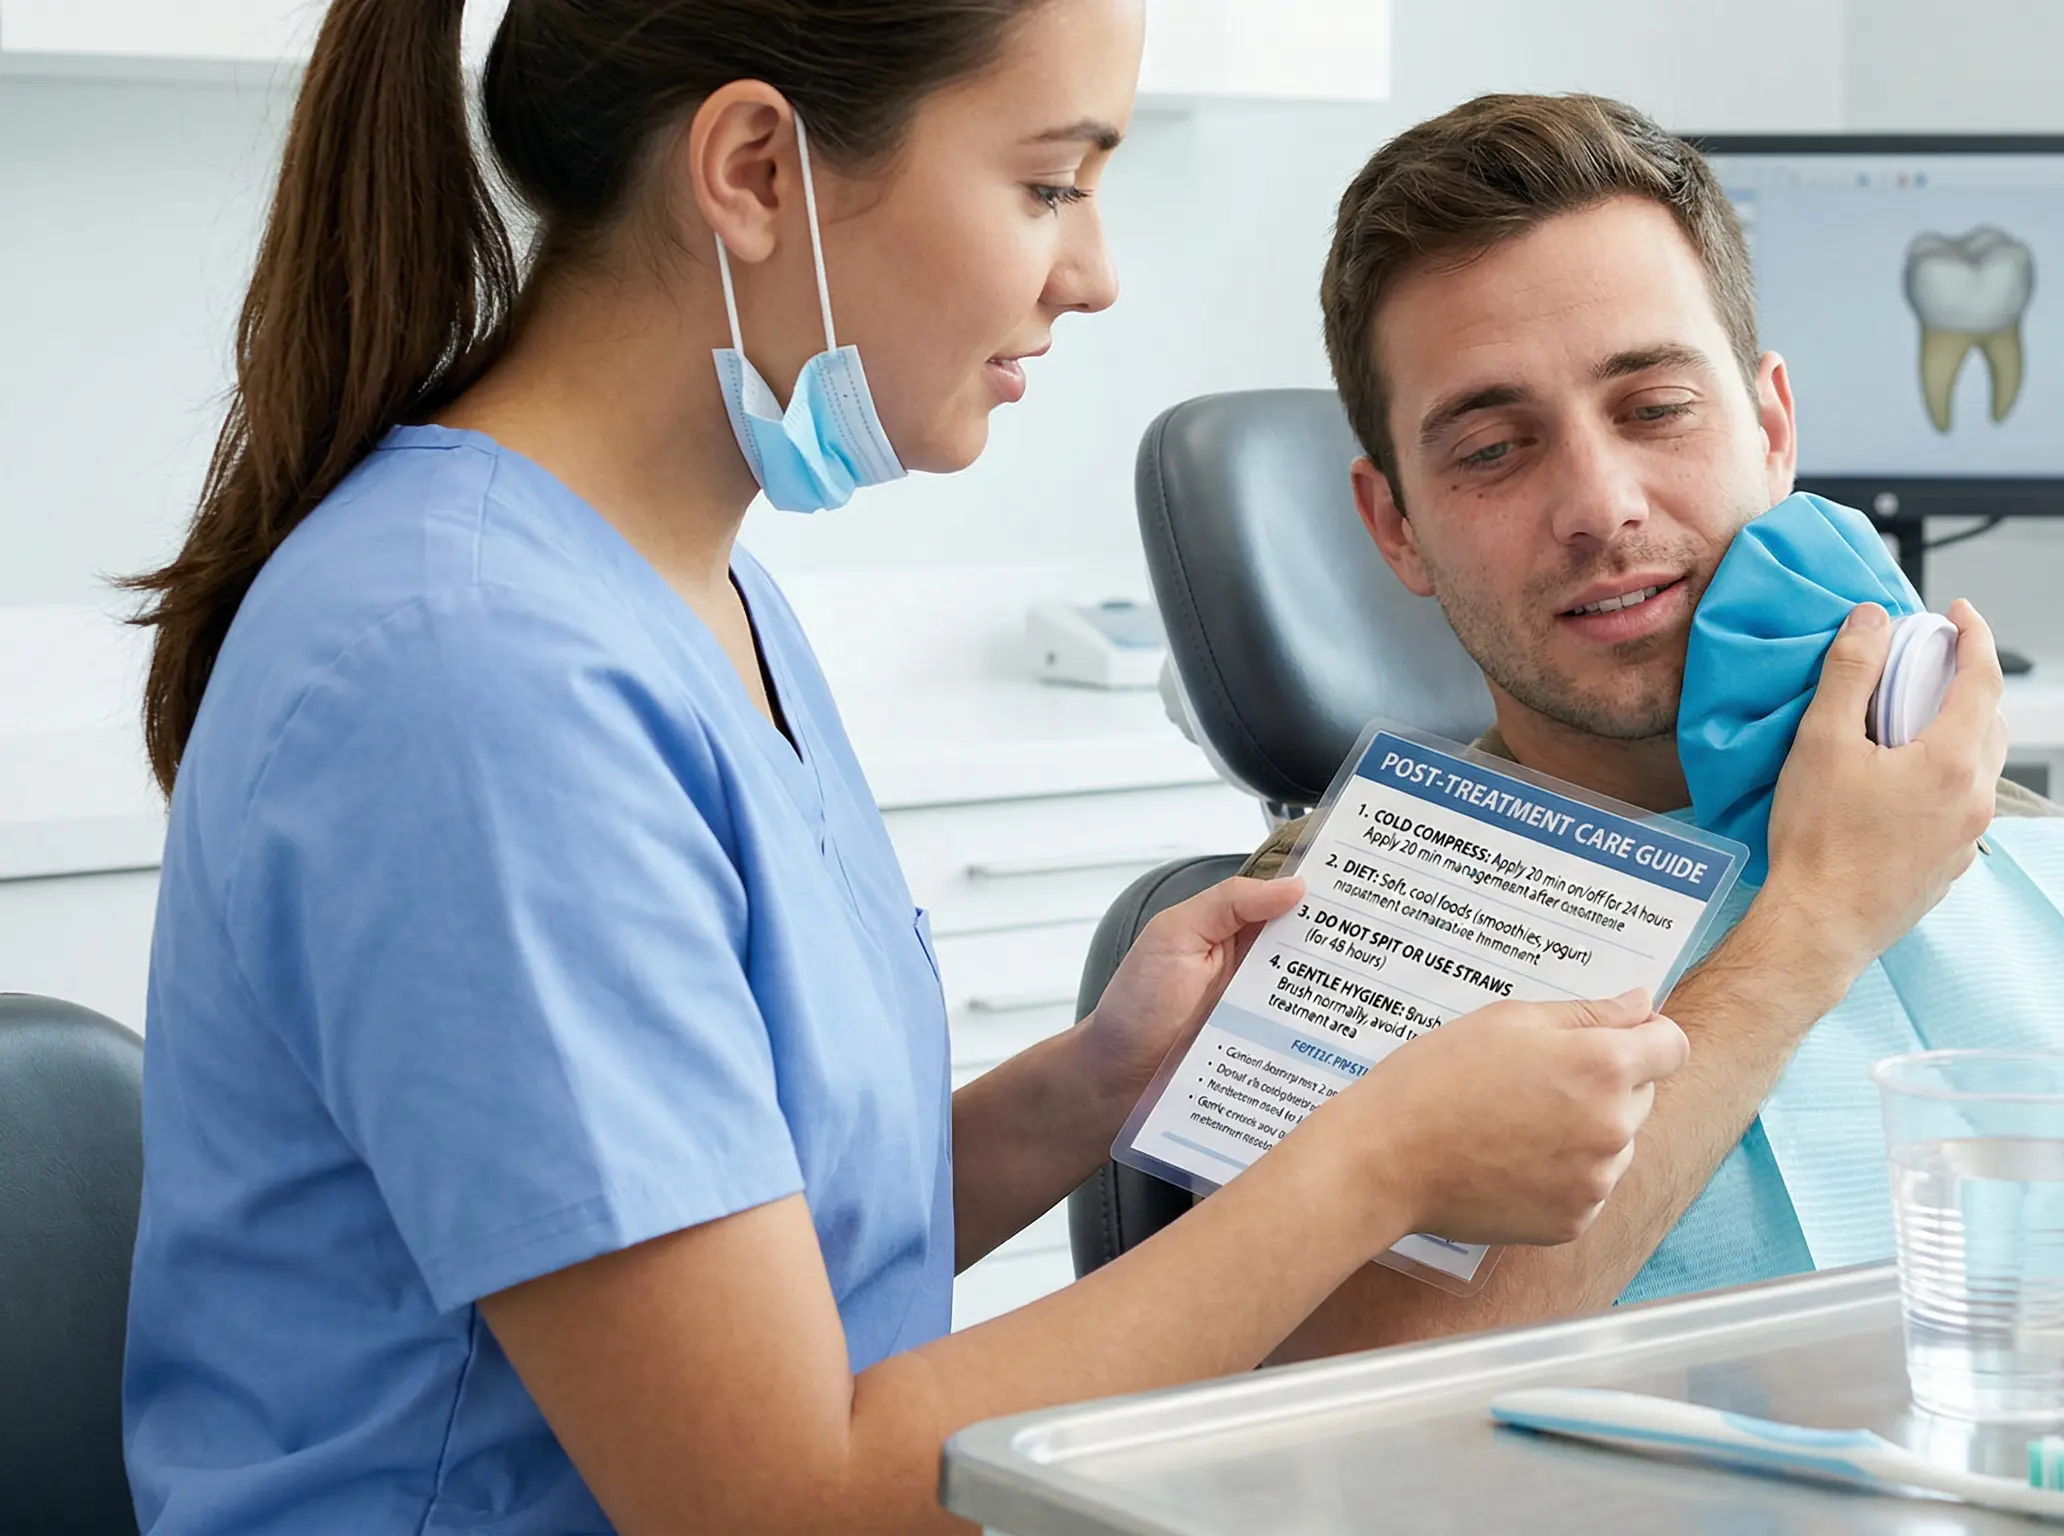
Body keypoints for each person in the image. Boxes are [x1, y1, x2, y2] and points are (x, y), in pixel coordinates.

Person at [116, 8, 1742, 1533]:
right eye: (1048, 185)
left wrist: (1086, 1092)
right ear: (755, 173)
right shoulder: (478, 677)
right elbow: (776, 1498)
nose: (1092, 274)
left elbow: (754, 1252)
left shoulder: (696, 596)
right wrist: (1380, 1161)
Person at [1235, 93, 2064, 1361]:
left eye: (1654, 408)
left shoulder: (2055, 866)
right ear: (1395, 527)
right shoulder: (1320, 925)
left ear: (1771, 430)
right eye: (1493, 448)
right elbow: (1316, 1407)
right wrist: (1812, 923)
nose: (1601, 504)